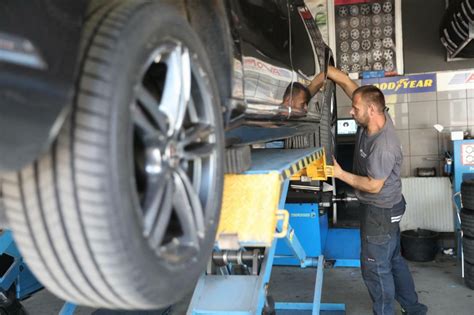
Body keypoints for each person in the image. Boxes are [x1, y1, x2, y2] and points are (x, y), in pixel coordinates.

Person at [311, 66, 428, 315]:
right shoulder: (373, 114)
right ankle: (414, 308)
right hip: (388, 208)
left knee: (375, 267)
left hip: (380, 211)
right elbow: (342, 80)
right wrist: (309, 91)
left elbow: (373, 185)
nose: (351, 112)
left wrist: (340, 174)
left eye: (355, 109)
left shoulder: (384, 146)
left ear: (371, 110)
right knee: (393, 260)